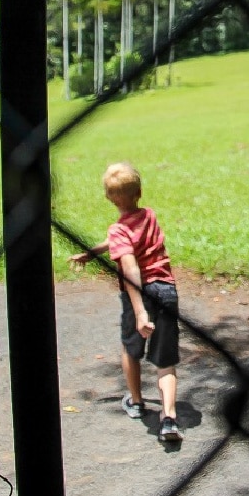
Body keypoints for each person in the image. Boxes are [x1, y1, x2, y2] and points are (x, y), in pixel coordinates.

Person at [69, 162, 183, 442]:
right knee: (165, 360)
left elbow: (130, 268)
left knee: (131, 348)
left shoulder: (118, 230)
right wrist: (93, 252)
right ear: (139, 192)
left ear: (109, 197)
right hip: (166, 291)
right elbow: (123, 238)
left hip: (140, 295)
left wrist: (141, 311)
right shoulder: (149, 216)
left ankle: (136, 401)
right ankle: (168, 418)